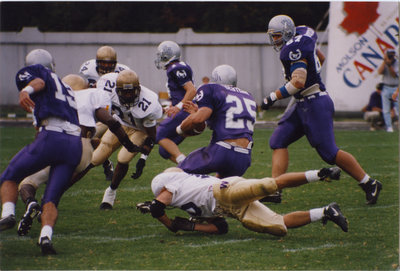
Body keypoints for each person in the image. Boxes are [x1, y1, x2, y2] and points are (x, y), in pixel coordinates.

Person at [260, 15, 382, 205]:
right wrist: (312, 72)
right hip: (302, 103)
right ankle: (275, 189)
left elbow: (298, 82)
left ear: (287, 33)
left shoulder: (293, 49)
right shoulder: (303, 35)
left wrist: (272, 97)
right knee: (278, 140)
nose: (274, 40)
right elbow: (320, 57)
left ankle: (369, 183)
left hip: (315, 103)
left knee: (329, 153)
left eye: (277, 36)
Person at [16, 74, 140, 237]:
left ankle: (31, 203)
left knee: (27, 183)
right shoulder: (91, 94)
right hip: (79, 146)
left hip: (53, 143)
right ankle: (45, 228)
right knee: (56, 188)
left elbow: (39, 133)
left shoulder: (50, 100)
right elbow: (111, 121)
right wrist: (128, 144)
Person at [0, 49, 82, 255]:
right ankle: (46, 237)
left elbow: (39, 82)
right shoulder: (65, 85)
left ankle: (8, 215)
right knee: (51, 198)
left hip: (52, 136)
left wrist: (25, 90)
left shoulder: (37, 73)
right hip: (74, 143)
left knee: (9, 176)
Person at [136, 166, 347, 236]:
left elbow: (157, 207)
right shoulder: (185, 200)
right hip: (233, 211)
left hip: (223, 191)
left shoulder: (176, 184)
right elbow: (221, 228)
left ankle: (320, 173)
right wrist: (193, 226)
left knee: (268, 185)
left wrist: (171, 225)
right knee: (278, 227)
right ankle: (327, 211)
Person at [70, 70, 163, 210]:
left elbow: (152, 135)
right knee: (95, 158)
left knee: (124, 158)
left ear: (138, 89)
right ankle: (58, 190)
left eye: (132, 91)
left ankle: (111, 192)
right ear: (116, 90)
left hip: (139, 130)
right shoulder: (105, 86)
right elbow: (91, 95)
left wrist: (143, 158)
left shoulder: (149, 103)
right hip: (119, 124)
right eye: (125, 92)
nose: (129, 95)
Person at [176, 64, 257, 178]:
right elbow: (223, 119)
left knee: (176, 174)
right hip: (244, 157)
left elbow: (199, 119)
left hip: (223, 151)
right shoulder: (248, 96)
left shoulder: (211, 88)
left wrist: (179, 129)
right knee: (219, 190)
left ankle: (160, 197)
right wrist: (197, 113)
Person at [79, 45, 130, 181]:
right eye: (103, 63)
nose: (106, 67)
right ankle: (106, 163)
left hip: (112, 113)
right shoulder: (87, 70)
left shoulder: (123, 72)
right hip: (93, 110)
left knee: (87, 137)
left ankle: (104, 162)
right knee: (85, 138)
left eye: (110, 63)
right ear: (97, 63)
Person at [154, 40, 197, 164]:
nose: (160, 57)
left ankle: (186, 165)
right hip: (184, 110)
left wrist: (178, 107)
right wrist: (173, 106)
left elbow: (191, 90)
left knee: (158, 134)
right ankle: (188, 169)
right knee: (164, 150)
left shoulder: (175, 68)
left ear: (167, 54)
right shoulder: (177, 67)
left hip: (185, 111)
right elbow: (181, 93)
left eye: (161, 54)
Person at [377, 48, 399, 132]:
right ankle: (389, 127)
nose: (391, 57)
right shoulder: (385, 63)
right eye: (389, 55)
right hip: (386, 87)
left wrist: (389, 65)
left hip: (396, 88)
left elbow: (394, 75)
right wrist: (384, 61)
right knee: (386, 109)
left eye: (392, 55)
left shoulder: (397, 63)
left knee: (398, 108)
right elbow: (379, 72)